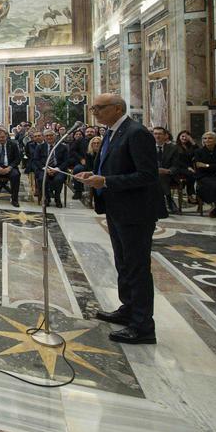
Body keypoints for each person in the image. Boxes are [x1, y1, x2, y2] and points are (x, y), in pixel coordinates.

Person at [76, 93, 163, 345]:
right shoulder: (112, 132)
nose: (94, 111)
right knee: (124, 264)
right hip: (118, 208)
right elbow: (116, 167)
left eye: (98, 108)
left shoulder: (137, 133)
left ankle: (143, 326)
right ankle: (128, 310)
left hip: (136, 211)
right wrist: (97, 174)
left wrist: (106, 181)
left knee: (137, 268)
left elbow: (148, 175)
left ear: (116, 108)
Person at [34, 129, 70, 207]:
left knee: (59, 179)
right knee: (41, 179)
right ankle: (46, 198)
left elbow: (66, 161)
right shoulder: (40, 147)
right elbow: (36, 160)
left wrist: (57, 169)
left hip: (58, 169)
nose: (49, 137)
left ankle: (57, 198)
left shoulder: (62, 147)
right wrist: (45, 169)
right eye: (47, 136)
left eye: (51, 135)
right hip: (44, 169)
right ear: (44, 137)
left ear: (55, 136)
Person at [152, 127, 180, 215]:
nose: (157, 136)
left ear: (165, 136)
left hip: (169, 175)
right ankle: (169, 200)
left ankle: (163, 202)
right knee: (158, 176)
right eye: (155, 134)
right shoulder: (147, 147)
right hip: (151, 174)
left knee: (161, 176)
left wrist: (168, 171)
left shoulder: (173, 148)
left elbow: (176, 165)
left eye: (160, 134)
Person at [174, 130, 199, 204]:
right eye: (183, 136)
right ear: (179, 137)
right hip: (179, 167)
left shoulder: (190, 147)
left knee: (196, 175)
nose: (184, 138)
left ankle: (191, 193)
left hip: (190, 167)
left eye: (186, 137)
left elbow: (198, 151)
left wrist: (192, 141)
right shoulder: (175, 147)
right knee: (191, 175)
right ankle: (190, 195)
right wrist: (187, 167)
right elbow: (177, 161)